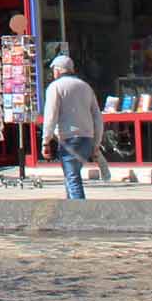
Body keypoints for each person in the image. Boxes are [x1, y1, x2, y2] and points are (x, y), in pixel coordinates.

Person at [39, 55, 104, 201]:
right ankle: (70, 211)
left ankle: (78, 213)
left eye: (54, 69)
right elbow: (97, 117)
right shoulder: (85, 86)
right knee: (71, 176)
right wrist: (96, 142)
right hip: (87, 138)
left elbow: (50, 116)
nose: (53, 73)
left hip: (69, 138)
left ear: (59, 70)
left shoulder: (55, 87)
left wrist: (46, 141)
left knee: (73, 179)